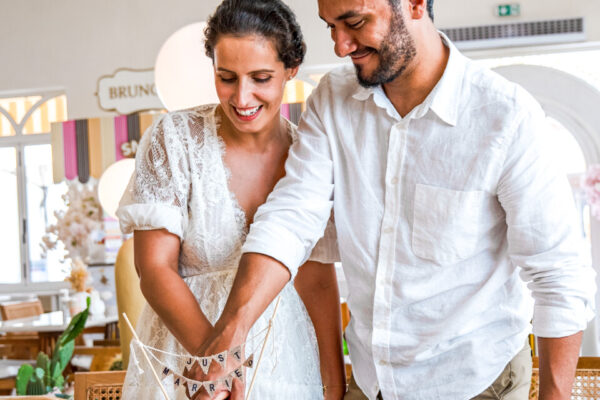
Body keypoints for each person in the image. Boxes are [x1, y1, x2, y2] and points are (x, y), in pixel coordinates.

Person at [196, 0, 597, 399]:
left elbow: (558, 274)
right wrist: (232, 331)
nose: (340, 46)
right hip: (373, 383)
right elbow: (291, 218)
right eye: (330, 26)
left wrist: (555, 394)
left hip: (476, 383)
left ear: (416, 4)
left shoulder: (505, 117)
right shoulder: (332, 100)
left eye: (354, 22)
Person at [116, 0, 346, 399]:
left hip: (286, 359)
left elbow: (317, 280)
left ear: (291, 70)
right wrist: (215, 363)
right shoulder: (174, 139)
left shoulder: (309, 154)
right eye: (227, 77)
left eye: (260, 77)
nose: (242, 97)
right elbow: (154, 268)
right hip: (187, 351)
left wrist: (334, 383)